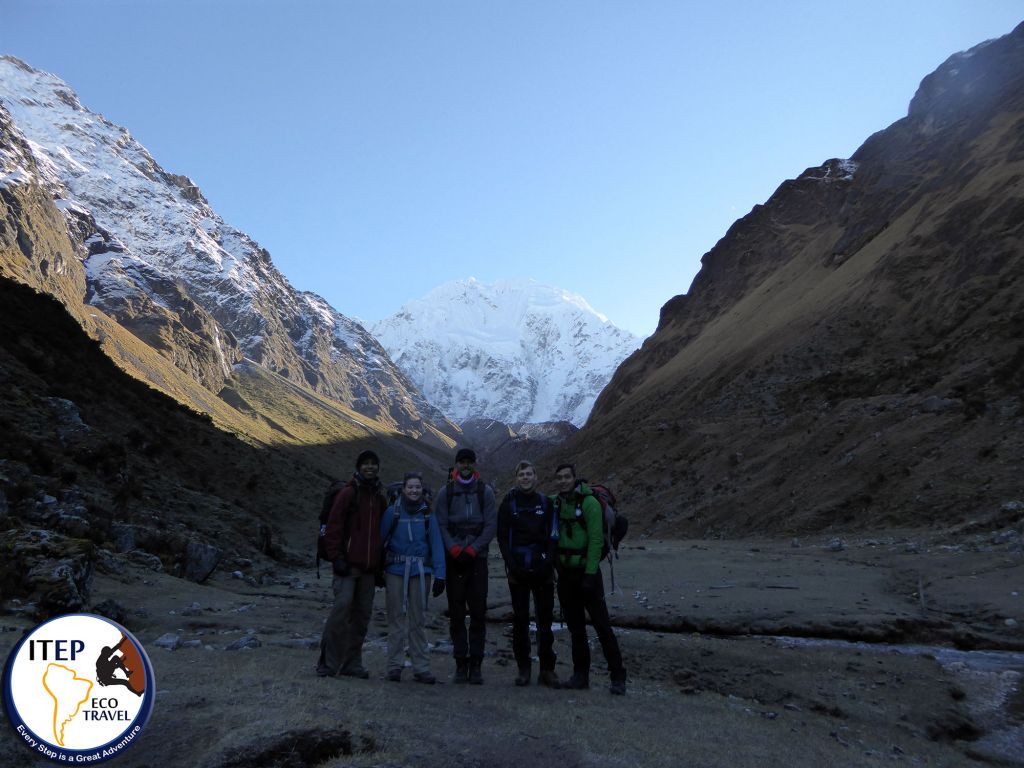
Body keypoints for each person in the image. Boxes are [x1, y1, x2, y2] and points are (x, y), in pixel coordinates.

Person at [551, 462, 627, 695]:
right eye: (559, 477)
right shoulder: (556, 502)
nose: (563, 480)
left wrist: (590, 573)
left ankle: (618, 677)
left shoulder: (590, 503)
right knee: (576, 629)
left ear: (575, 478)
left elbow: (595, 540)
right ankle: (580, 675)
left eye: (567, 476)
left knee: (603, 626)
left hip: (587, 574)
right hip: (565, 574)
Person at [317, 449, 388, 679]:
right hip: (347, 566)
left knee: (361, 617)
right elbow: (334, 527)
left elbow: (382, 535)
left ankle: (352, 663)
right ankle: (327, 663)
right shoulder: (348, 493)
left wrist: (379, 567)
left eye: (373, 464)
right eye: (365, 464)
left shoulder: (379, 498)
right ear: (358, 467)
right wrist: (336, 557)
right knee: (341, 610)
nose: (370, 467)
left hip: (369, 570)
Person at [433, 448, 497, 684]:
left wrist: (474, 548)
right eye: (462, 462)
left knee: (479, 613)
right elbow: (440, 524)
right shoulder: (446, 493)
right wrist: (453, 548)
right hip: (455, 559)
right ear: (456, 464)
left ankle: (476, 664)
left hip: (477, 560)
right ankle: (461, 663)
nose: (466, 465)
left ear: (475, 464)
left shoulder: (485, 492)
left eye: (470, 462)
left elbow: (491, 524)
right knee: (457, 613)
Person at [497, 460, 560, 688]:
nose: (525, 477)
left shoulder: (546, 503)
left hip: (543, 570)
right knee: (521, 621)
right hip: (518, 572)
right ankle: (524, 668)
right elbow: (502, 538)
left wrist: (549, 563)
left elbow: (554, 535)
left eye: (529, 473)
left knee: (545, 622)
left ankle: (547, 669)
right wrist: (511, 564)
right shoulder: (507, 505)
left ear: (536, 477)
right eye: (521, 474)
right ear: (516, 478)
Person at [379, 472, 446, 684]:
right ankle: (394, 666)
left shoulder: (428, 515)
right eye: (410, 487)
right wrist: (377, 570)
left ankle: (421, 667)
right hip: (395, 570)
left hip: (421, 571)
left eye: (418, 487)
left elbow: (436, 545)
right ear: (403, 489)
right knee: (396, 618)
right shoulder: (392, 512)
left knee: (418, 619)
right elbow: (380, 541)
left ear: (422, 489)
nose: (414, 491)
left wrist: (440, 574)